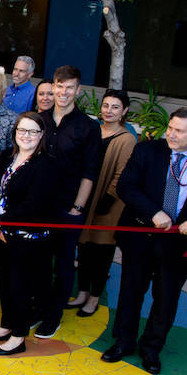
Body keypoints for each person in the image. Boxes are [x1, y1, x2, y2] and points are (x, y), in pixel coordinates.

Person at [102, 108, 187, 375]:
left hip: (179, 245)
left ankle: (151, 350)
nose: (171, 134)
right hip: (140, 236)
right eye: (170, 128)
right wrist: (153, 212)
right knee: (130, 292)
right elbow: (126, 186)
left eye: (179, 130)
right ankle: (123, 343)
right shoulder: (148, 150)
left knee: (166, 298)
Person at [0, 112, 59, 355]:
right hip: (1, 233)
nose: (26, 136)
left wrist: (0, 220)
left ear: (42, 135)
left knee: (20, 286)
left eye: (33, 131)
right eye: (22, 130)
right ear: (15, 133)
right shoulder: (7, 156)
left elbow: (34, 205)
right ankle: (7, 325)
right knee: (4, 281)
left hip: (26, 238)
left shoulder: (46, 164)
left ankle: (18, 336)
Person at [37, 65, 101, 339]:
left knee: (63, 264)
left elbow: (90, 172)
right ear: (53, 86)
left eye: (69, 87)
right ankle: (38, 309)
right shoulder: (38, 120)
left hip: (67, 208)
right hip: (37, 206)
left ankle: (53, 316)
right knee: (38, 262)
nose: (63, 92)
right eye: (59, 86)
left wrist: (77, 208)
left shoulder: (88, 127)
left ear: (78, 90)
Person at [69, 90, 137, 317]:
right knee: (84, 249)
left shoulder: (126, 139)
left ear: (124, 111)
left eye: (115, 107)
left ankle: (95, 297)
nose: (109, 110)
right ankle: (82, 292)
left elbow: (123, 174)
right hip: (85, 198)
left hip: (108, 203)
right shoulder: (93, 130)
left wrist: (107, 198)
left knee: (101, 252)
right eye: (106, 105)